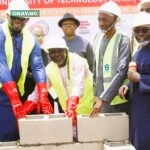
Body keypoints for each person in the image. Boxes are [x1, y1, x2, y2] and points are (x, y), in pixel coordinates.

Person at [0, 0, 53, 142]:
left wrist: (43, 93)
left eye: (21, 18)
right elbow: (1, 63)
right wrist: (14, 97)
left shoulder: (31, 39)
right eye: (14, 17)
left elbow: (38, 66)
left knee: (9, 132)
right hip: (8, 91)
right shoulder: (0, 32)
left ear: (27, 19)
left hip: (11, 93)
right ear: (7, 16)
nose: (17, 21)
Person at [24, 36, 94, 125]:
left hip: (89, 111)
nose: (57, 54)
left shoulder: (78, 61)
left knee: (89, 137)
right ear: (48, 54)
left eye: (59, 50)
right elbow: (37, 92)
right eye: (53, 52)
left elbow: (78, 86)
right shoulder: (49, 69)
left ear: (66, 50)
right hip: (68, 113)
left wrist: (71, 107)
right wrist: (25, 108)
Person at [90, 0, 131, 117]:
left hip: (119, 100)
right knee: (104, 134)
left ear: (115, 19)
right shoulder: (97, 38)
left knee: (120, 134)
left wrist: (103, 99)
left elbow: (121, 72)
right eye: (99, 19)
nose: (101, 23)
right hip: (101, 102)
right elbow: (95, 70)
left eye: (105, 20)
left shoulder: (123, 40)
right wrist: (96, 95)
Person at [119, 12, 150, 150]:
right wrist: (127, 86)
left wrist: (140, 79)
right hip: (138, 111)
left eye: (144, 30)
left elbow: (139, 76)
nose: (140, 34)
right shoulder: (138, 52)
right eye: (137, 31)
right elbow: (134, 76)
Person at [21, 25, 50, 102]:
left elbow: (49, 72)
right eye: (37, 35)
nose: (40, 38)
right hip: (26, 89)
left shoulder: (46, 53)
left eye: (42, 36)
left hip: (43, 90)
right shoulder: (23, 52)